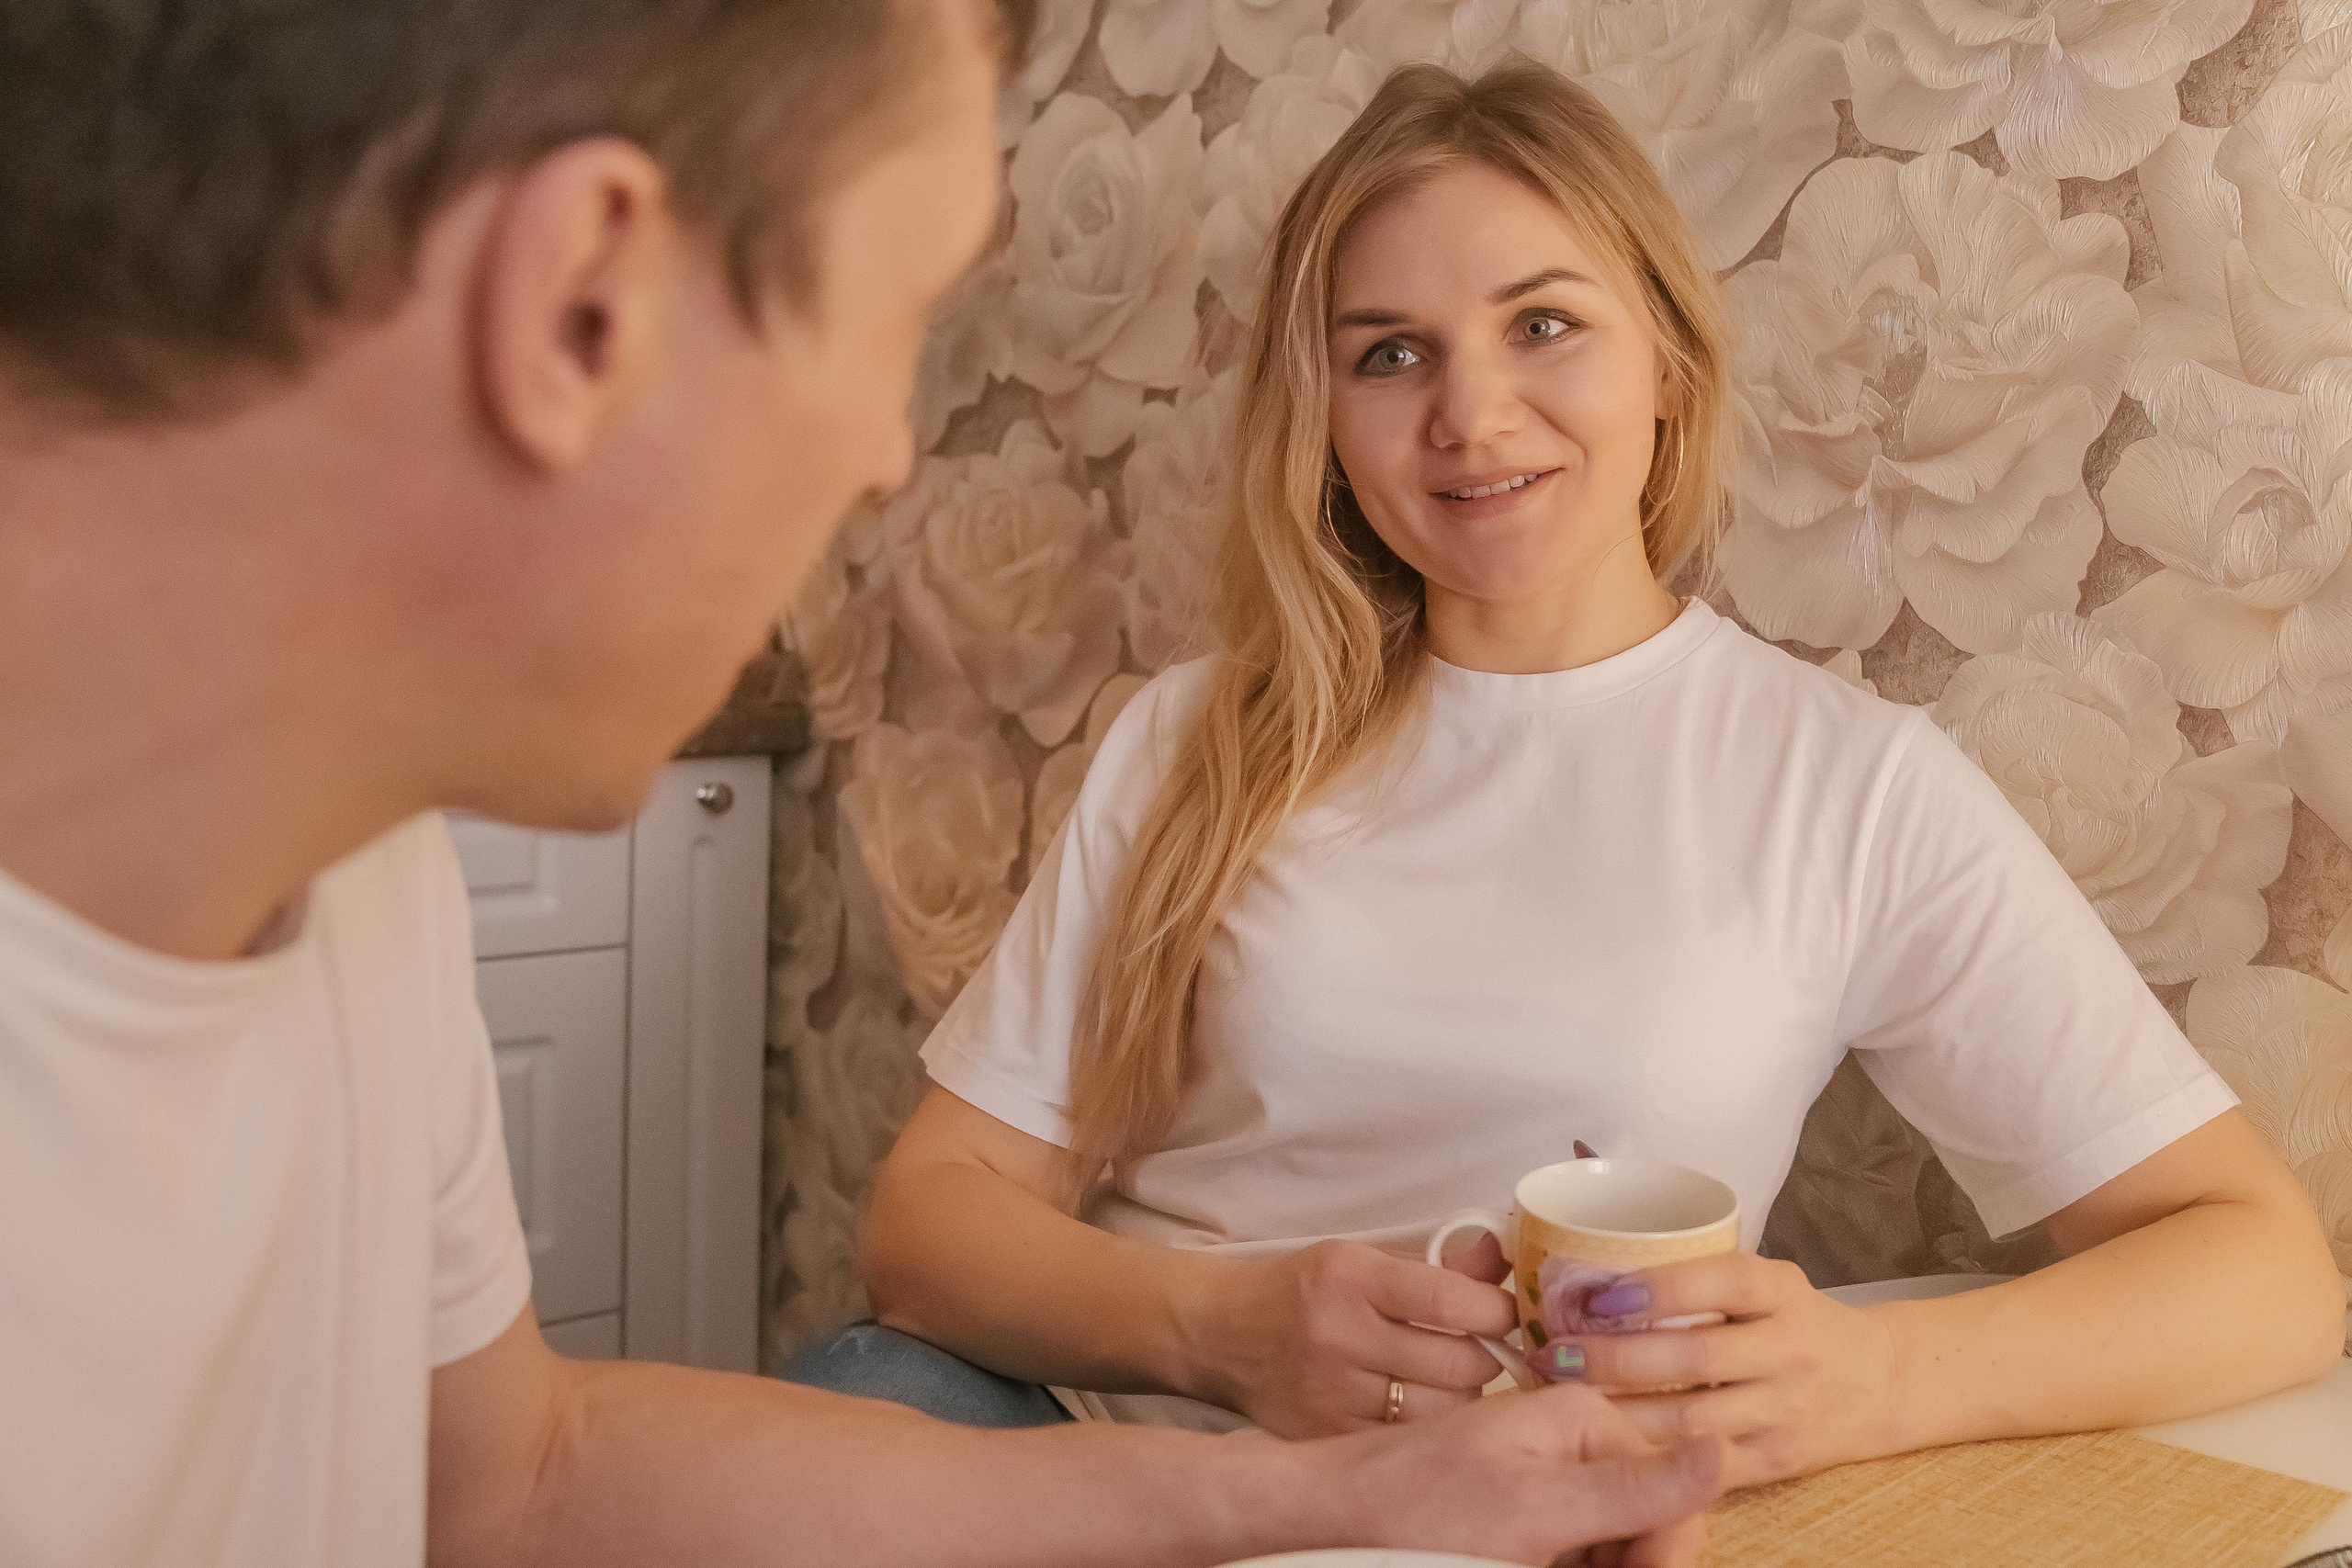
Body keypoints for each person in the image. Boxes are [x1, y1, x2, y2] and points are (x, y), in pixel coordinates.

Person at [0, 6, 1730, 1568]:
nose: (888, 452)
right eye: (896, 315)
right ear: (581, 303)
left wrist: (1330, 1496)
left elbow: (521, 1475)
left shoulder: (359, 868)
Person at [847, 59, 2346, 1484]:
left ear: (1671, 368)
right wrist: (1219, 1333)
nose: (1472, 413)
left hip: (1521, 1518)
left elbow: (2264, 1273)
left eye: (1544, 324)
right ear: (1329, 435)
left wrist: (1865, 1380)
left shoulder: (1849, 788)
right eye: (1390, 353)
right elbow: (928, 1227)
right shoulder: (1198, 738)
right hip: (1088, 1470)